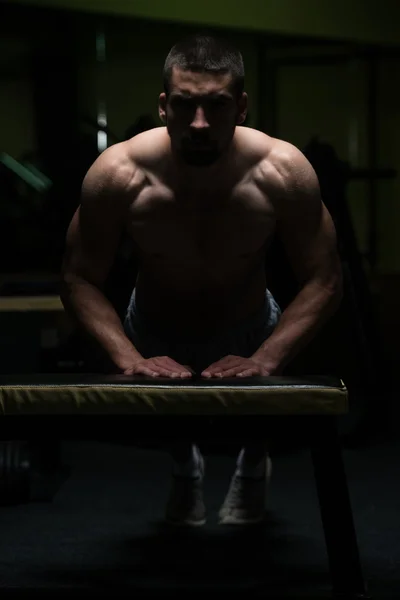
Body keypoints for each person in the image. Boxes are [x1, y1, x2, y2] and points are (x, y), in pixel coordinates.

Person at [61, 33, 343, 527]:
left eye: (215, 106)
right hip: (153, 322)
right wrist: (129, 359)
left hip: (249, 321)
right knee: (171, 411)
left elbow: (325, 277)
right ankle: (184, 469)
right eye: (186, 105)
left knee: (258, 405)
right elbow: (78, 277)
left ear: (241, 106)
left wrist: (266, 357)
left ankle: (253, 469)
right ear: (164, 105)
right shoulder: (118, 172)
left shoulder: (282, 170)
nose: (199, 124)